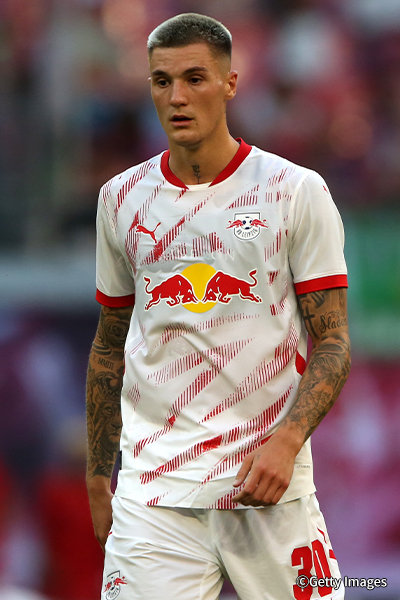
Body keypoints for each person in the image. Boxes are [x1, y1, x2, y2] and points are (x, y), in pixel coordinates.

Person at [86, 13, 351, 600]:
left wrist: (287, 442)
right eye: (162, 81)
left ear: (230, 83)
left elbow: (333, 342)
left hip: (268, 488)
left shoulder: (294, 191)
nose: (177, 97)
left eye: (194, 78)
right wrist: (98, 473)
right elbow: (109, 345)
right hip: (154, 496)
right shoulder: (120, 199)